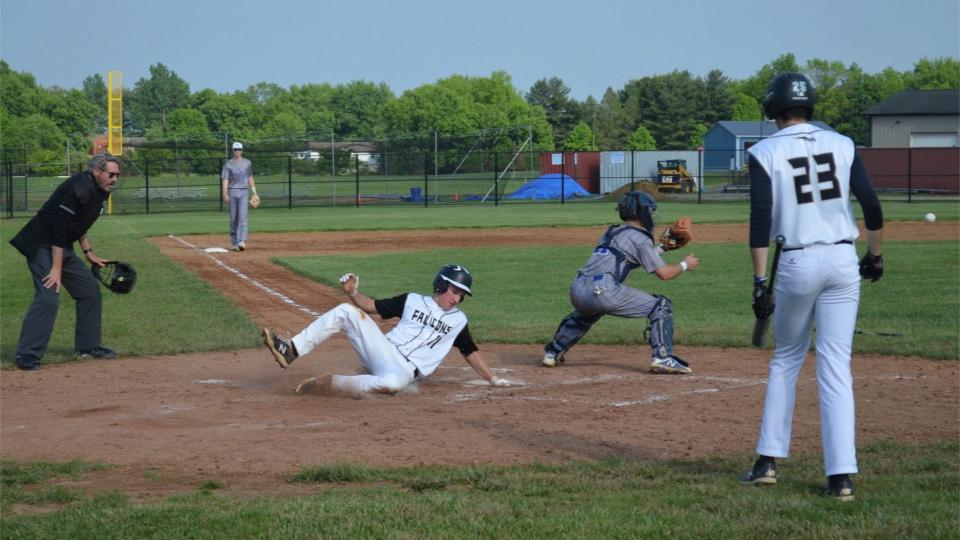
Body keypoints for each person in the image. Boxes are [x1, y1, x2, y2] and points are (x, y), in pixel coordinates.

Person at [739, 72, 884, 502]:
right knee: (836, 365)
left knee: (786, 358)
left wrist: (760, 281)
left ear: (773, 108)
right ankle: (841, 476)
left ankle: (767, 462)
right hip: (842, 259)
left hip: (796, 261)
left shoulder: (764, 150)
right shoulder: (843, 143)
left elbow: (761, 220)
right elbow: (871, 205)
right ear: (809, 106)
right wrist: (874, 256)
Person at [261, 264, 512, 395]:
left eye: (461, 295)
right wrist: (353, 294)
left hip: (404, 371)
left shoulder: (458, 320)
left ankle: (330, 384)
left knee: (392, 384)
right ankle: (291, 349)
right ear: (441, 285)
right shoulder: (412, 300)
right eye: (454, 291)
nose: (456, 298)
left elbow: (470, 351)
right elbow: (370, 307)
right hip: (383, 351)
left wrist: (493, 378)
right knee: (346, 311)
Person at [542, 192, 700, 374]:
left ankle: (552, 352)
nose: (652, 214)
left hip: (577, 289)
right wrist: (685, 264)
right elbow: (663, 274)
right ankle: (663, 357)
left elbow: (630, 258)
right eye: (650, 210)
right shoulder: (641, 238)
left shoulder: (611, 231)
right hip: (604, 290)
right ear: (641, 213)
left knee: (588, 312)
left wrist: (663, 247)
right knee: (661, 305)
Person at [9, 152, 124, 370]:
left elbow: (79, 223)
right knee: (48, 296)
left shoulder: (102, 190)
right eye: (111, 174)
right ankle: (27, 354)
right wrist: (56, 268)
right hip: (41, 242)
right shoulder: (78, 189)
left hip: (60, 245)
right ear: (96, 171)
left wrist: (88, 251)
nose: (115, 179)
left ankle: (88, 347)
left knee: (89, 290)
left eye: (117, 175)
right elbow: (59, 229)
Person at [221, 141, 257, 251]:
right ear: (233, 150)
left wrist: (254, 192)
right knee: (234, 218)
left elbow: (250, 177)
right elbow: (225, 179)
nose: (237, 151)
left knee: (243, 216)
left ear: (242, 150)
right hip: (232, 191)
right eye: (235, 149)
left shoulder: (247, 163)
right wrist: (224, 192)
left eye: (239, 149)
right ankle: (234, 242)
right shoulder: (228, 164)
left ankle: (242, 241)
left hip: (244, 192)